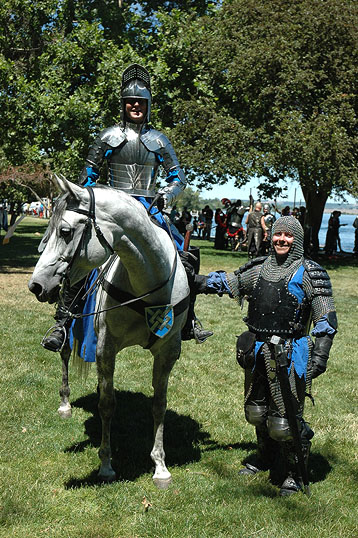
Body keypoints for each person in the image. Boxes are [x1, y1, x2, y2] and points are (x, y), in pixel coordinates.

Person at [42, 63, 212, 352]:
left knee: (183, 257)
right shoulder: (108, 136)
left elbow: (178, 178)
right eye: (131, 102)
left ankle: (188, 318)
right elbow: (89, 177)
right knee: (83, 260)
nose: (136, 106)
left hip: (150, 209)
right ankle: (63, 321)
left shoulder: (159, 140)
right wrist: (91, 199)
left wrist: (166, 197)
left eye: (141, 102)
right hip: (112, 208)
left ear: (148, 105)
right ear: (123, 105)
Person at [194, 216, 337, 496]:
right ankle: (266, 457)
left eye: (288, 236)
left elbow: (326, 320)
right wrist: (194, 281)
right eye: (277, 234)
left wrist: (319, 357)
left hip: (289, 353)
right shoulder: (259, 269)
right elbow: (228, 283)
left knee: (284, 423)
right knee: (256, 413)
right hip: (256, 350)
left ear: (297, 240)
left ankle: (295, 474)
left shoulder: (310, 272)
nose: (281, 239)